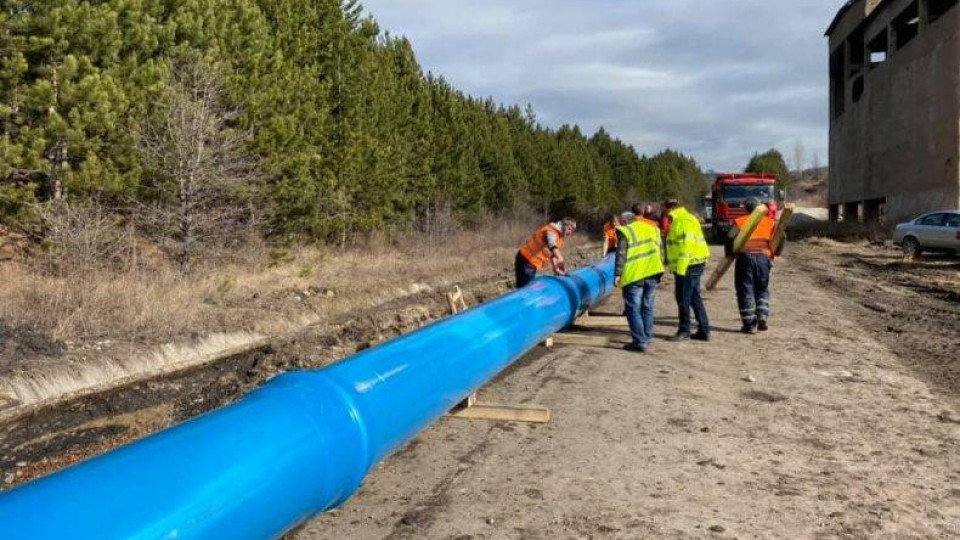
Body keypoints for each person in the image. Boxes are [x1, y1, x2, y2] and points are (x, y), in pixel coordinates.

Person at [726, 198, 783, 333]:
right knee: (762, 288)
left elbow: (729, 237)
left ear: (746, 209)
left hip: (745, 258)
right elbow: (782, 236)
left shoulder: (740, 221)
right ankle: (762, 315)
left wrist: (730, 254)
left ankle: (749, 324)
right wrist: (775, 253)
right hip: (764, 258)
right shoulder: (770, 222)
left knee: (745, 289)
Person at [614, 210, 664, 352]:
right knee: (647, 306)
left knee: (633, 309)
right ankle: (647, 337)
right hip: (653, 272)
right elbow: (660, 248)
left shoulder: (625, 231)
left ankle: (639, 341)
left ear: (624, 222)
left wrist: (617, 274)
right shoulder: (652, 228)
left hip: (635, 275)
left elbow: (621, 253)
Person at [664, 199, 711, 341]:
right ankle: (704, 329)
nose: (664, 213)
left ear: (671, 208)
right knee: (693, 296)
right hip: (692, 263)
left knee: (683, 298)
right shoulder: (685, 218)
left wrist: (680, 269)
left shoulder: (682, 221)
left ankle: (684, 330)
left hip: (688, 265)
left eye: (665, 209)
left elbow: (686, 246)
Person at [515, 218, 577, 288]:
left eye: (572, 230)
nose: (570, 232)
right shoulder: (551, 230)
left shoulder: (560, 237)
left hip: (531, 263)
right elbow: (552, 244)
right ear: (563, 225)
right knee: (524, 289)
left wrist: (556, 269)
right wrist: (560, 256)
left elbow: (553, 255)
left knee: (525, 287)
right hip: (526, 259)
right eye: (569, 229)